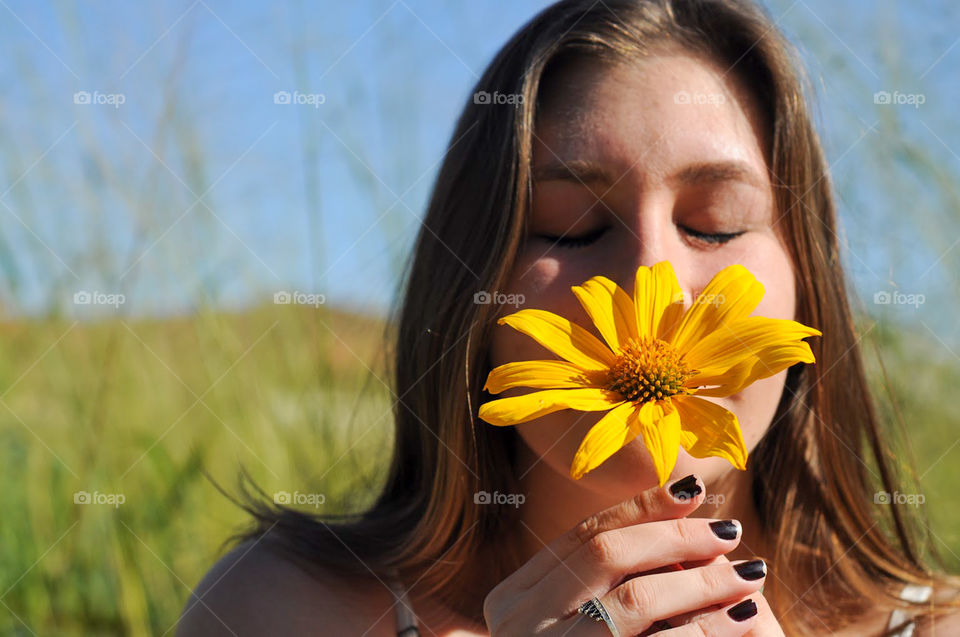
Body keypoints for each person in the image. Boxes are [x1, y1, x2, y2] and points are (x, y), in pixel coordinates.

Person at [177, 0, 960, 634]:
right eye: (571, 226)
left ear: (807, 285)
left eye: (715, 224)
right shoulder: (285, 610)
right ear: (475, 293)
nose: (650, 277)